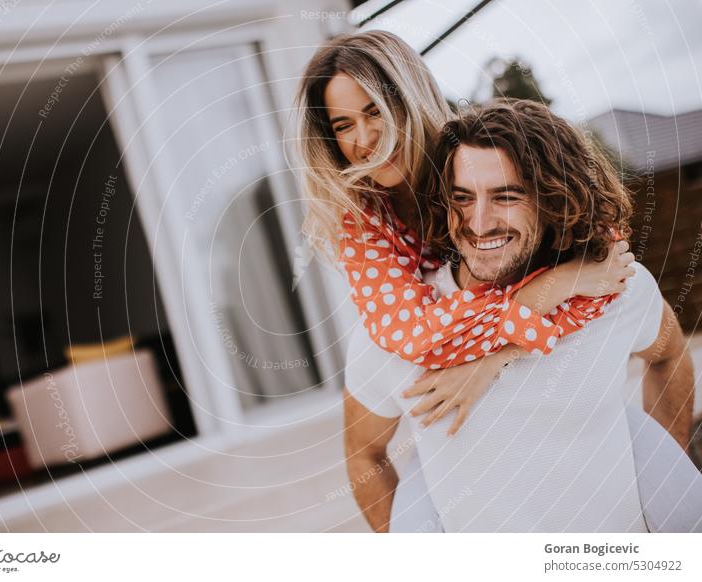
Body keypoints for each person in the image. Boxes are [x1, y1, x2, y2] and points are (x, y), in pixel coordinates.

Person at [293, 30, 698, 531]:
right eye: (343, 124)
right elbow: (372, 434)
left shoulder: (602, 276)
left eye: (375, 110)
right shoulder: (368, 238)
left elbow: (659, 340)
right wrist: (502, 343)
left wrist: (667, 479)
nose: (365, 137)